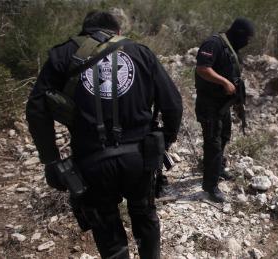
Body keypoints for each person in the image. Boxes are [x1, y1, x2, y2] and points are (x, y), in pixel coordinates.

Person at [26, 11, 182, 259]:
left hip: (91, 161)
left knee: (105, 222)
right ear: (117, 32)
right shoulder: (141, 52)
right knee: (144, 213)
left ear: (84, 32)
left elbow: (36, 109)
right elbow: (173, 104)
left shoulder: (63, 55)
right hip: (139, 156)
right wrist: (166, 140)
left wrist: (51, 159)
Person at [195, 17, 254, 203]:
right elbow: (202, 69)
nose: (248, 42)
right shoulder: (214, 43)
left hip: (223, 104)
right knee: (213, 142)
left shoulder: (231, 48)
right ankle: (210, 187)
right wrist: (224, 82)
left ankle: (217, 170)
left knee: (224, 137)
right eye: (247, 38)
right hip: (209, 103)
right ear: (238, 33)